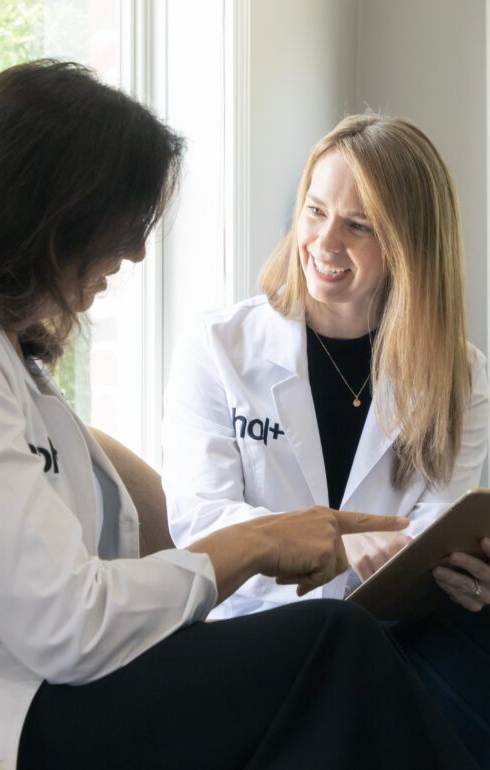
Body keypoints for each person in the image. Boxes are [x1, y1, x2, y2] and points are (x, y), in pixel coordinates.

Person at [0, 67, 480, 770]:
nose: (135, 252)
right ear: (49, 213)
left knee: (356, 670)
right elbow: (69, 621)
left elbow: (78, 579)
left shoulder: (3, 361)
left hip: (12, 684)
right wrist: (258, 542)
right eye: (126, 222)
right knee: (330, 648)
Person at [162, 113, 490, 764]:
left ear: (408, 243)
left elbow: (433, 530)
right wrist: (341, 546)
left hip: (395, 627)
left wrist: (466, 573)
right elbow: (199, 520)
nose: (323, 241)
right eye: (314, 211)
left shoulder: (460, 373)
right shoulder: (217, 347)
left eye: (357, 225)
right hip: (255, 629)